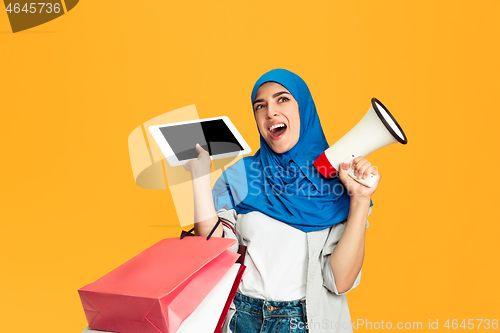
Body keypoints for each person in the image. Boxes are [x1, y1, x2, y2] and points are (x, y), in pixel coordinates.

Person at [183, 69, 381, 333]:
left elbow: (340, 281)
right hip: (241, 319)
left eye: (283, 99)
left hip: (305, 322)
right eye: (260, 105)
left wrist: (358, 200)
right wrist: (199, 179)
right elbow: (216, 250)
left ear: (303, 109)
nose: (270, 112)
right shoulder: (242, 175)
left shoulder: (338, 181)